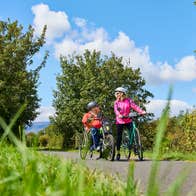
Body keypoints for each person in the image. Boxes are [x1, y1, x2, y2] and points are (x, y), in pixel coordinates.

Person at [114, 87, 146, 160]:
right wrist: (119, 115)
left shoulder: (128, 101)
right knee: (119, 137)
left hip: (128, 119)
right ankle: (118, 152)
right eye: (116, 93)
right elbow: (116, 110)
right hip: (120, 120)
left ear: (122, 93)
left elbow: (135, 107)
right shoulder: (116, 102)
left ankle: (135, 146)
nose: (116, 94)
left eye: (118, 93)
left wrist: (141, 111)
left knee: (133, 131)